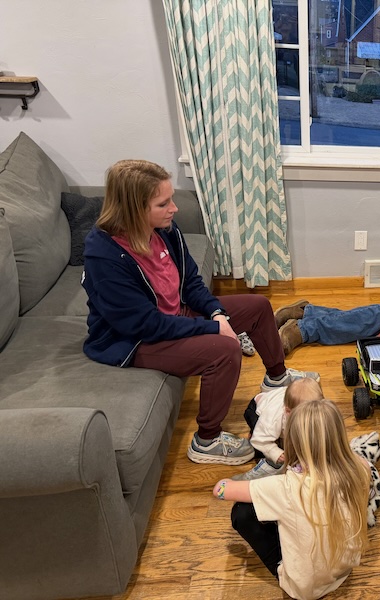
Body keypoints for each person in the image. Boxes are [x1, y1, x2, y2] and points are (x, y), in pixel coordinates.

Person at [82, 159, 319, 466]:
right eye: (163, 203)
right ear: (135, 209)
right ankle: (206, 440)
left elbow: (191, 282)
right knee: (224, 349)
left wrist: (217, 313)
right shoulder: (104, 255)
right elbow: (145, 325)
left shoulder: (164, 229)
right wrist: (211, 329)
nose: (174, 208)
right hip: (133, 340)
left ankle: (277, 377)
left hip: (175, 315)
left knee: (258, 307)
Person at [214, 399, 370, 600]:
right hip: (345, 569)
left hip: (304, 589)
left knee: (241, 513)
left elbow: (220, 490)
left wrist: (228, 480)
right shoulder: (361, 468)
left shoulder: (286, 487)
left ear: (293, 442)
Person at [233, 377, 323, 480]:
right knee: (263, 443)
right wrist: (274, 452)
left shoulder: (309, 407)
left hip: (278, 406)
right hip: (256, 411)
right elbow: (260, 439)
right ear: (288, 411)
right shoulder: (273, 419)